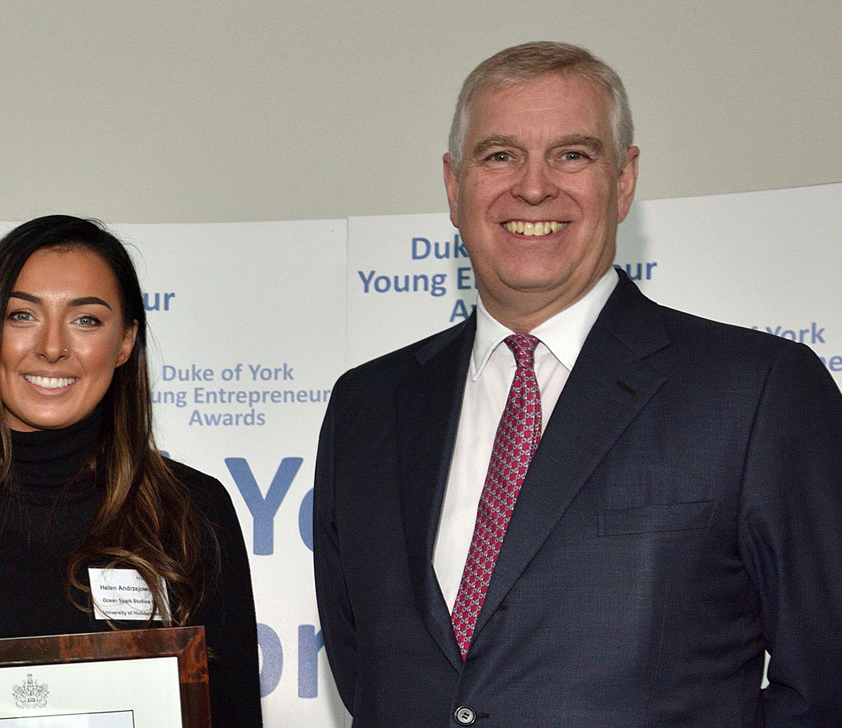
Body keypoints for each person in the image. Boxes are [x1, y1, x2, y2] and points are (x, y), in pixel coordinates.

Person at [313, 41, 842, 727]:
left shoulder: (757, 393)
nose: (533, 188)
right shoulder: (368, 405)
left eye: (573, 154)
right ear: (453, 186)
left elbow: (827, 684)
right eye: (500, 155)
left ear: (624, 182)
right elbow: (370, 674)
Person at [0, 216, 263, 726]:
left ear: (125, 342)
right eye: (22, 316)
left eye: (86, 320)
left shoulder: (193, 508)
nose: (53, 347)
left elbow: (234, 715)